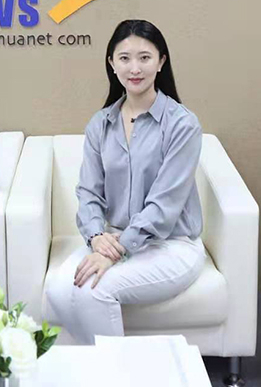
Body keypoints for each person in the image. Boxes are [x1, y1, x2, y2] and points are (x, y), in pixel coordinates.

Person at [44, 19, 206, 344]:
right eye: (124, 58)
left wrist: (115, 251)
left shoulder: (182, 124)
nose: (135, 68)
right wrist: (95, 237)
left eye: (145, 58)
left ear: (161, 62)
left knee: (94, 290)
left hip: (171, 245)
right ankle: (107, 368)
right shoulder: (100, 124)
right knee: (59, 290)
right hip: (113, 237)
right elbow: (89, 193)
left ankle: (119, 370)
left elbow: (164, 205)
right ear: (111, 63)